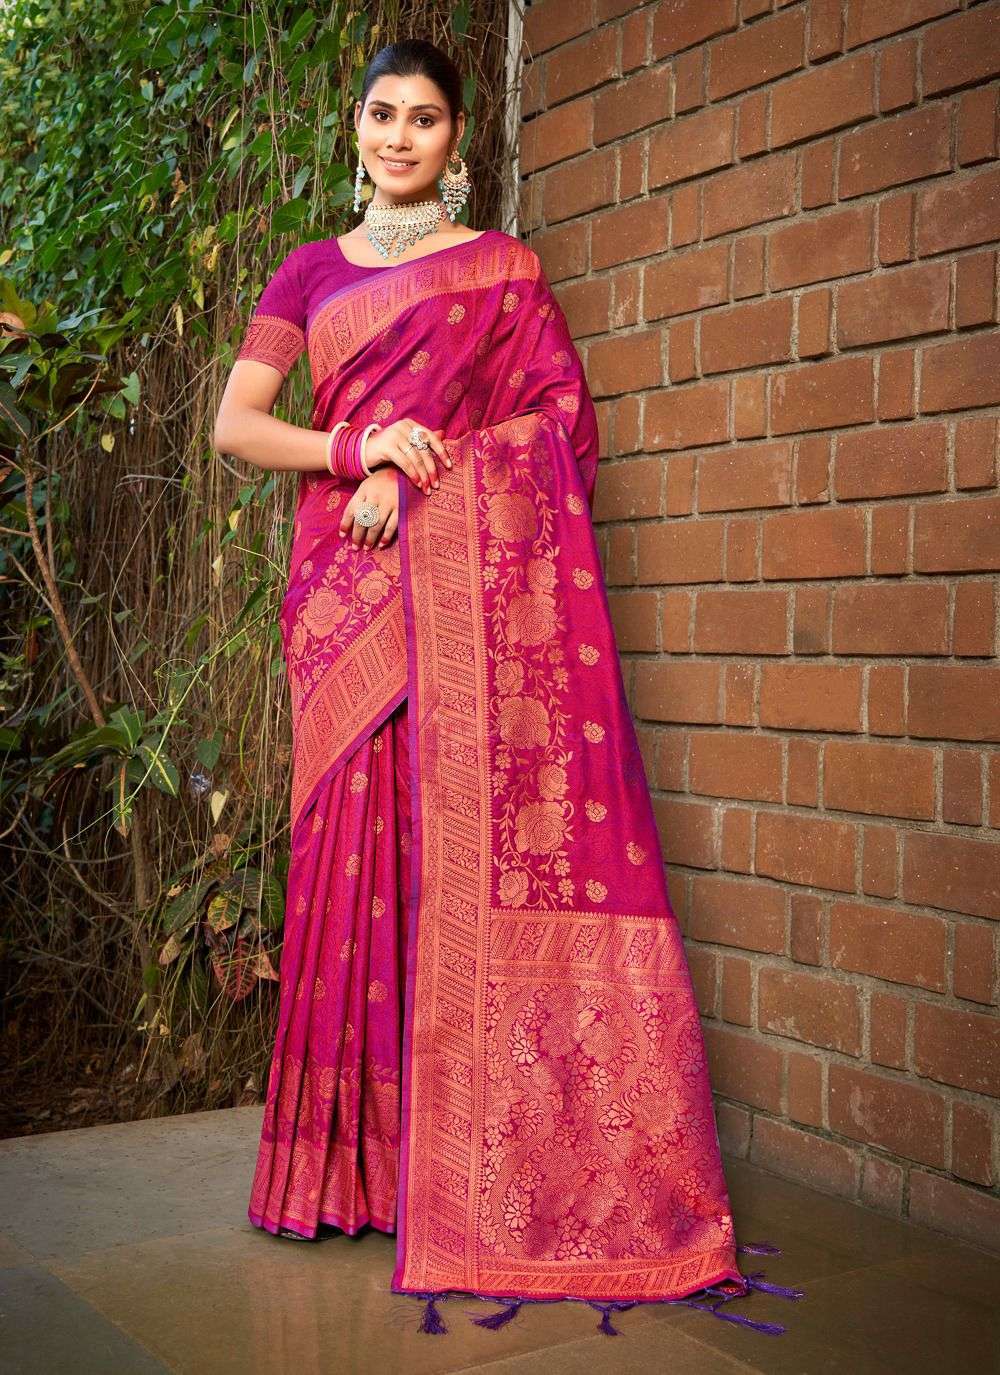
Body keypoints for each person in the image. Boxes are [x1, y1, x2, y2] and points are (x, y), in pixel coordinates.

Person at [213, 37, 800, 1340]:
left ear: (457, 139)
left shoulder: (506, 272)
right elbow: (238, 425)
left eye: (424, 118)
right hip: (346, 596)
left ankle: (471, 1165)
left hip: (465, 595)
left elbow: (559, 431)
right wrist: (358, 448)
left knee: (454, 860)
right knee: (351, 861)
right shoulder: (308, 272)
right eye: (382, 113)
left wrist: (416, 476)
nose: (399, 136)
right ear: (355, 128)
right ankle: (352, 1172)